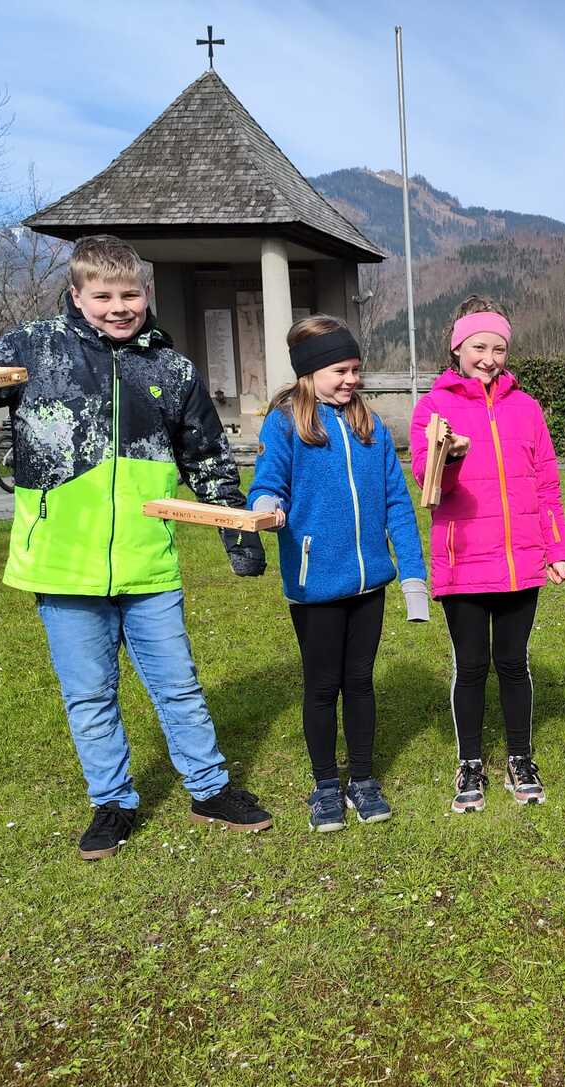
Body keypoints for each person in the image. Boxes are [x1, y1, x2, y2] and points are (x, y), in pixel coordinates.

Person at [0, 234, 272, 860]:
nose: (118, 307)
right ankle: (113, 802)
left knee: (179, 687)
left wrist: (237, 536)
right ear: (77, 296)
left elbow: (208, 460)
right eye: (103, 296)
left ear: (146, 294)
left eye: (129, 294)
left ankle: (209, 789)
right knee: (89, 695)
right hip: (62, 563)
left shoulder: (172, 370)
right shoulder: (36, 348)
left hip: (147, 560)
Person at [248, 315, 429, 831]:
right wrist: (266, 504)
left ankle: (363, 780)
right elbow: (267, 482)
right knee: (323, 686)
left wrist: (413, 579)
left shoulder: (370, 427)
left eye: (355, 369)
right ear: (310, 372)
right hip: (316, 586)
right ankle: (326, 785)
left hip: (369, 585)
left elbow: (397, 504)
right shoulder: (285, 423)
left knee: (361, 682)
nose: (351, 380)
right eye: (340, 371)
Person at [409, 296, 565, 813]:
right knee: (472, 665)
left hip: (521, 562)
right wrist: (448, 457)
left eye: (499, 348)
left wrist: (557, 547)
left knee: (513, 663)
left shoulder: (526, 409)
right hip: (463, 561)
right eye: (479, 347)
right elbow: (426, 481)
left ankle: (520, 758)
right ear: (457, 348)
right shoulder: (433, 408)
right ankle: (470, 763)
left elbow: (547, 483)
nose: (489, 358)